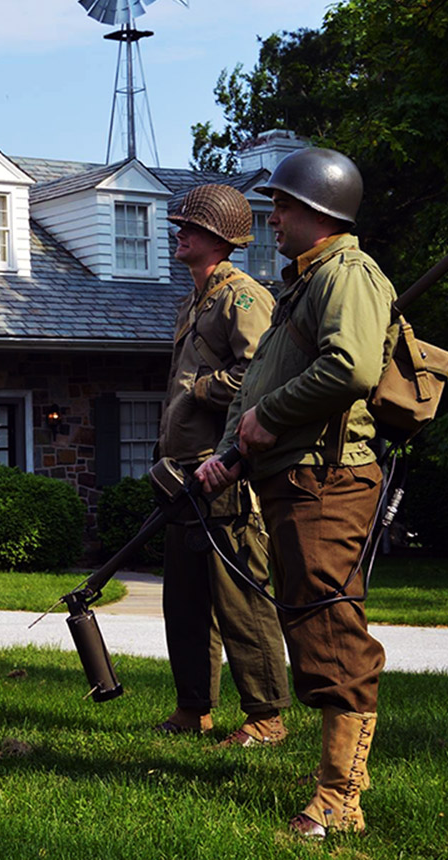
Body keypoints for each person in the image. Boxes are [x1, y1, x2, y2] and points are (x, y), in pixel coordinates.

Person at [196, 148, 397, 838]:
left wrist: (267, 418)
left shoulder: (348, 275)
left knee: (329, 630)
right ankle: (345, 785)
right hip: (295, 476)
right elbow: (262, 387)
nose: (271, 218)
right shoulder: (303, 284)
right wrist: (231, 454)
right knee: (313, 625)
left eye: (280, 205)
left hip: (327, 478)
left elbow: (352, 367)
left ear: (317, 211)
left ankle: (340, 799)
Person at [155, 185, 291, 746]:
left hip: (224, 473)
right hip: (183, 473)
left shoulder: (244, 298)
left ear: (219, 238)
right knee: (184, 599)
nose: (176, 232)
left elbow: (265, 379)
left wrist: (207, 388)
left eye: (188, 225)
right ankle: (194, 709)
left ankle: (266, 717)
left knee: (240, 596)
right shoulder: (196, 299)